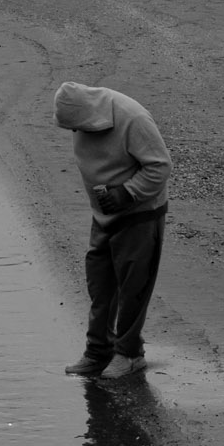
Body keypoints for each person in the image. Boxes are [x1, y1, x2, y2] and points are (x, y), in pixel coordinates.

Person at [54, 81, 172, 382]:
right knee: (100, 283)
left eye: (76, 127)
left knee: (133, 287)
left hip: (140, 213)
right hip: (104, 215)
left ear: (89, 115)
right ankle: (98, 352)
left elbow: (160, 166)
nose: (74, 133)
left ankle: (130, 355)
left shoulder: (132, 118)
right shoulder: (82, 120)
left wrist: (126, 193)